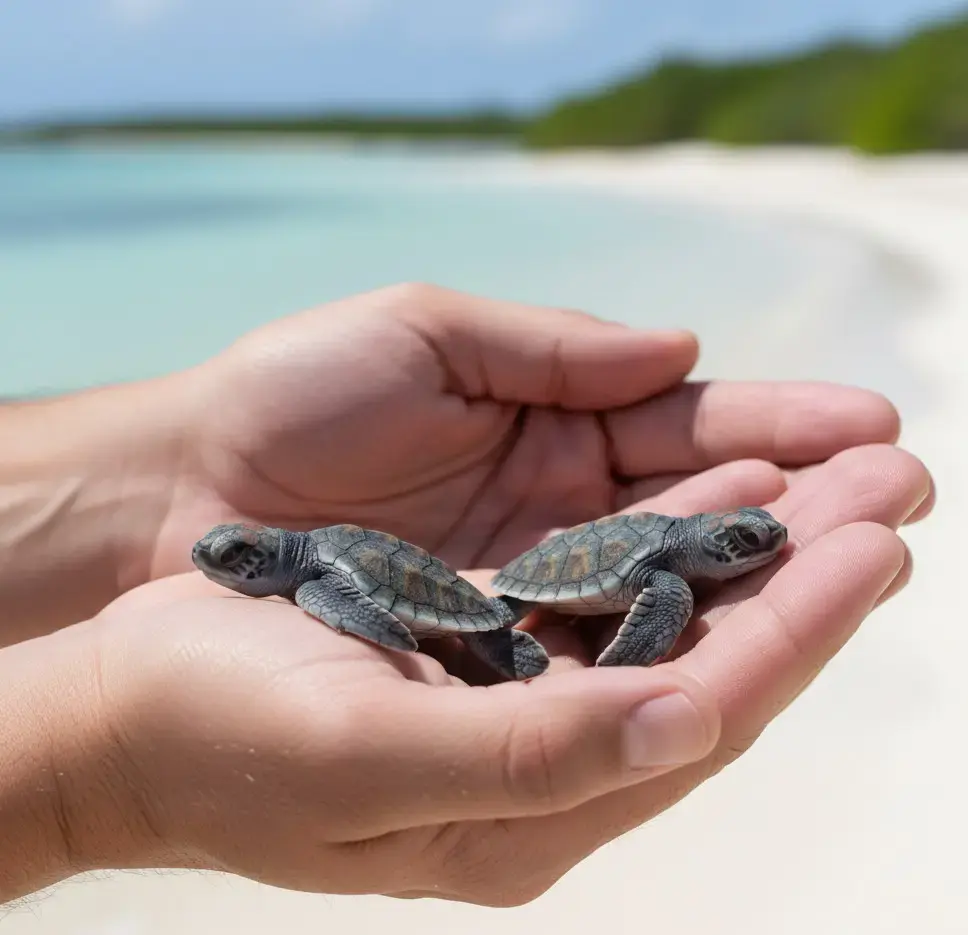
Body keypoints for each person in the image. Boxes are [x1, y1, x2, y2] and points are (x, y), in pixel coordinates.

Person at [0, 283, 933, 906]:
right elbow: (361, 605)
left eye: (748, 543)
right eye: (741, 541)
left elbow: (653, 589)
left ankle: (509, 649)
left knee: (510, 635)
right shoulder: (324, 569)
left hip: (513, 574)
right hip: (533, 573)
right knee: (506, 635)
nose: (753, 549)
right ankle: (510, 649)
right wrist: (101, 766)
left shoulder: (663, 570)